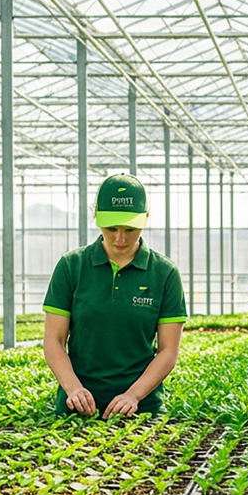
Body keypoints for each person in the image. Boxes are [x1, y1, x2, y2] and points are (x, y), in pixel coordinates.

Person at [42, 174, 187, 418]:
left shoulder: (164, 273)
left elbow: (168, 351)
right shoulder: (71, 266)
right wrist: (74, 389)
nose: (120, 238)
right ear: (97, 219)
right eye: (111, 228)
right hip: (76, 408)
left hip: (141, 410)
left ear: (145, 220)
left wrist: (133, 396)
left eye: (129, 229)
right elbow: (54, 341)